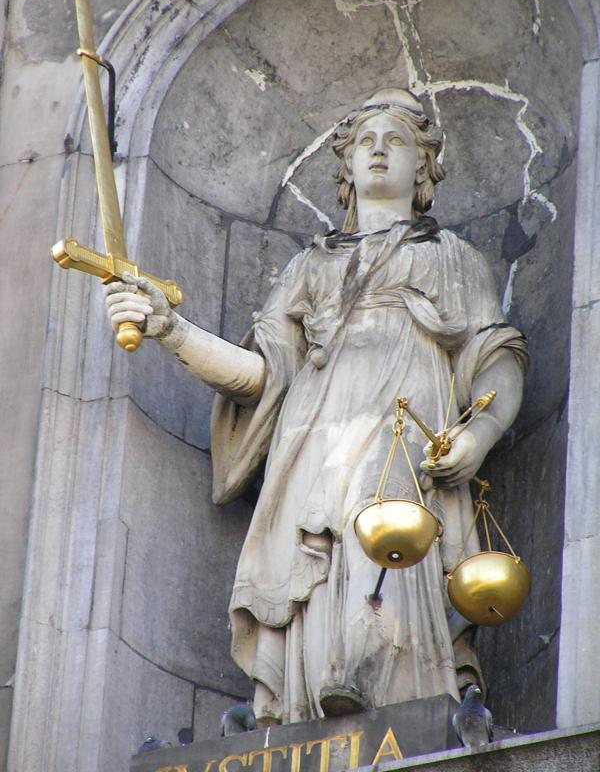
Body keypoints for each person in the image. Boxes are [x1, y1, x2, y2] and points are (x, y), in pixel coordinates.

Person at [106, 89, 527, 725]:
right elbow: (262, 378)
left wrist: (484, 431)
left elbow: (496, 358)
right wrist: (174, 331)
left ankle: (378, 683)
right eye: (365, 142)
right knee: (318, 552)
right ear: (347, 168)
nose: (380, 150)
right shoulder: (310, 267)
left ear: (425, 170)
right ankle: (304, 699)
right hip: (313, 434)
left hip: (403, 431)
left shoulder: (452, 260)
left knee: (381, 533)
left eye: (397, 141)